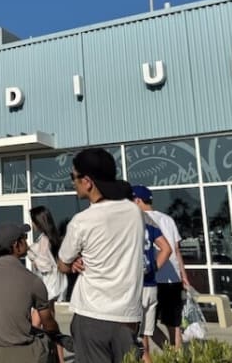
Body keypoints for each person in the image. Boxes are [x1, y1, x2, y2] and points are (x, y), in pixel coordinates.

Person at [58, 148, 144, 363]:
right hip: (128, 314)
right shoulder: (134, 212)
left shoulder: (82, 221)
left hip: (92, 314)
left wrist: (74, 263)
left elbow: (62, 264)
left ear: (87, 181)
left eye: (73, 177)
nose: (72, 183)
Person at [0, 223, 63, 363]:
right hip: (23, 353)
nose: (27, 242)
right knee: (51, 340)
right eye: (24, 238)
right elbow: (48, 322)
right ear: (16, 245)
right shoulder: (31, 279)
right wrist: (58, 337)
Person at [131, 184, 190, 350]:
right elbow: (176, 251)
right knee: (174, 324)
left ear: (137, 200)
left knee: (146, 326)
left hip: (153, 279)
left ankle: (165, 351)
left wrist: (152, 268)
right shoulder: (167, 219)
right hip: (173, 279)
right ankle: (176, 356)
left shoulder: (139, 220)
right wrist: (183, 276)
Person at [128, 189, 172, 363]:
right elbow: (166, 248)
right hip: (150, 284)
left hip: (135, 285)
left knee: (129, 335)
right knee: (144, 335)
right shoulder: (150, 221)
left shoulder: (128, 222)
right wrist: (154, 267)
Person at [27, 205, 68, 363]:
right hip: (53, 286)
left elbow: (44, 264)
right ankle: (59, 358)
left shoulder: (44, 240)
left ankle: (36, 357)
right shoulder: (52, 238)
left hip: (47, 287)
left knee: (34, 324)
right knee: (52, 325)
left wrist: (30, 254)